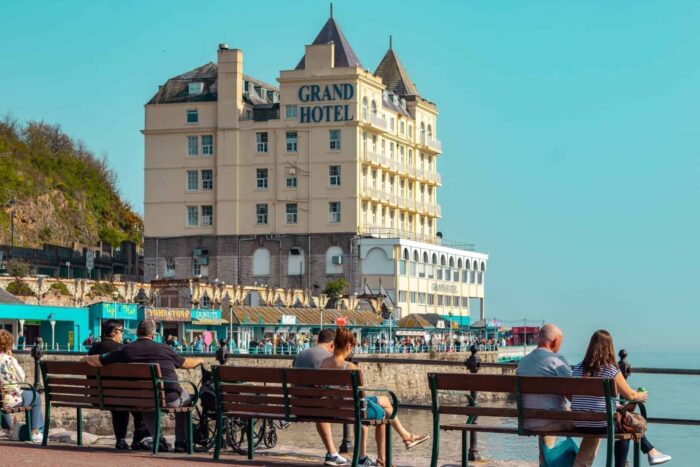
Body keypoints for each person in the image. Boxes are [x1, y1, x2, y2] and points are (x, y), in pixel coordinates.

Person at [81, 319, 204, 452]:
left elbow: (100, 360)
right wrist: (200, 360)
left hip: (142, 399)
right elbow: (186, 364)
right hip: (170, 398)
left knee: (148, 404)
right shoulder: (164, 348)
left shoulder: (126, 349)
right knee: (188, 399)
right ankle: (181, 442)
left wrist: (86, 359)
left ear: (137, 332)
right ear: (153, 334)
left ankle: (158, 440)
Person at [321, 328, 428, 467]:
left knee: (384, 400)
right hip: (352, 408)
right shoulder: (350, 367)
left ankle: (406, 437)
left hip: (332, 408)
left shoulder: (323, 363)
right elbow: (362, 396)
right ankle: (384, 458)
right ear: (348, 346)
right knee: (384, 413)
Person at [571, 330, 671, 467]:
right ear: (609, 348)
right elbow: (630, 395)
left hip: (579, 423)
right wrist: (641, 395)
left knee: (623, 424)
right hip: (601, 425)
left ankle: (651, 452)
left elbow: (579, 398)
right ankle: (649, 452)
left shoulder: (577, 369)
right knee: (626, 426)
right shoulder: (610, 370)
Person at [516, 323, 573, 462]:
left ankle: (545, 463)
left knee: (548, 409)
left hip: (528, 421)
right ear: (554, 341)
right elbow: (574, 394)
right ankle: (582, 462)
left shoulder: (523, 362)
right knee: (596, 425)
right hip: (551, 420)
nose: (560, 346)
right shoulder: (557, 360)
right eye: (561, 342)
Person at [88, 319, 148, 450]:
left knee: (120, 401)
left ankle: (121, 439)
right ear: (114, 332)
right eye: (121, 331)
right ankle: (138, 440)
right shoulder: (120, 349)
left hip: (97, 396)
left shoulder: (93, 348)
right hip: (119, 396)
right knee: (139, 406)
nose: (122, 334)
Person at [292, 329, 347, 465]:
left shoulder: (301, 354)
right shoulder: (324, 357)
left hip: (296, 406)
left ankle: (332, 453)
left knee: (320, 403)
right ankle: (355, 455)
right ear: (332, 344)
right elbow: (325, 387)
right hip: (314, 407)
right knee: (328, 403)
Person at [0, 330, 43, 442]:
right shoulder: (9, 359)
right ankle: (35, 431)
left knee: (2, 400)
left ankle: (9, 428)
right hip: (10, 399)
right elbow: (21, 377)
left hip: (2, 400)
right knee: (36, 397)